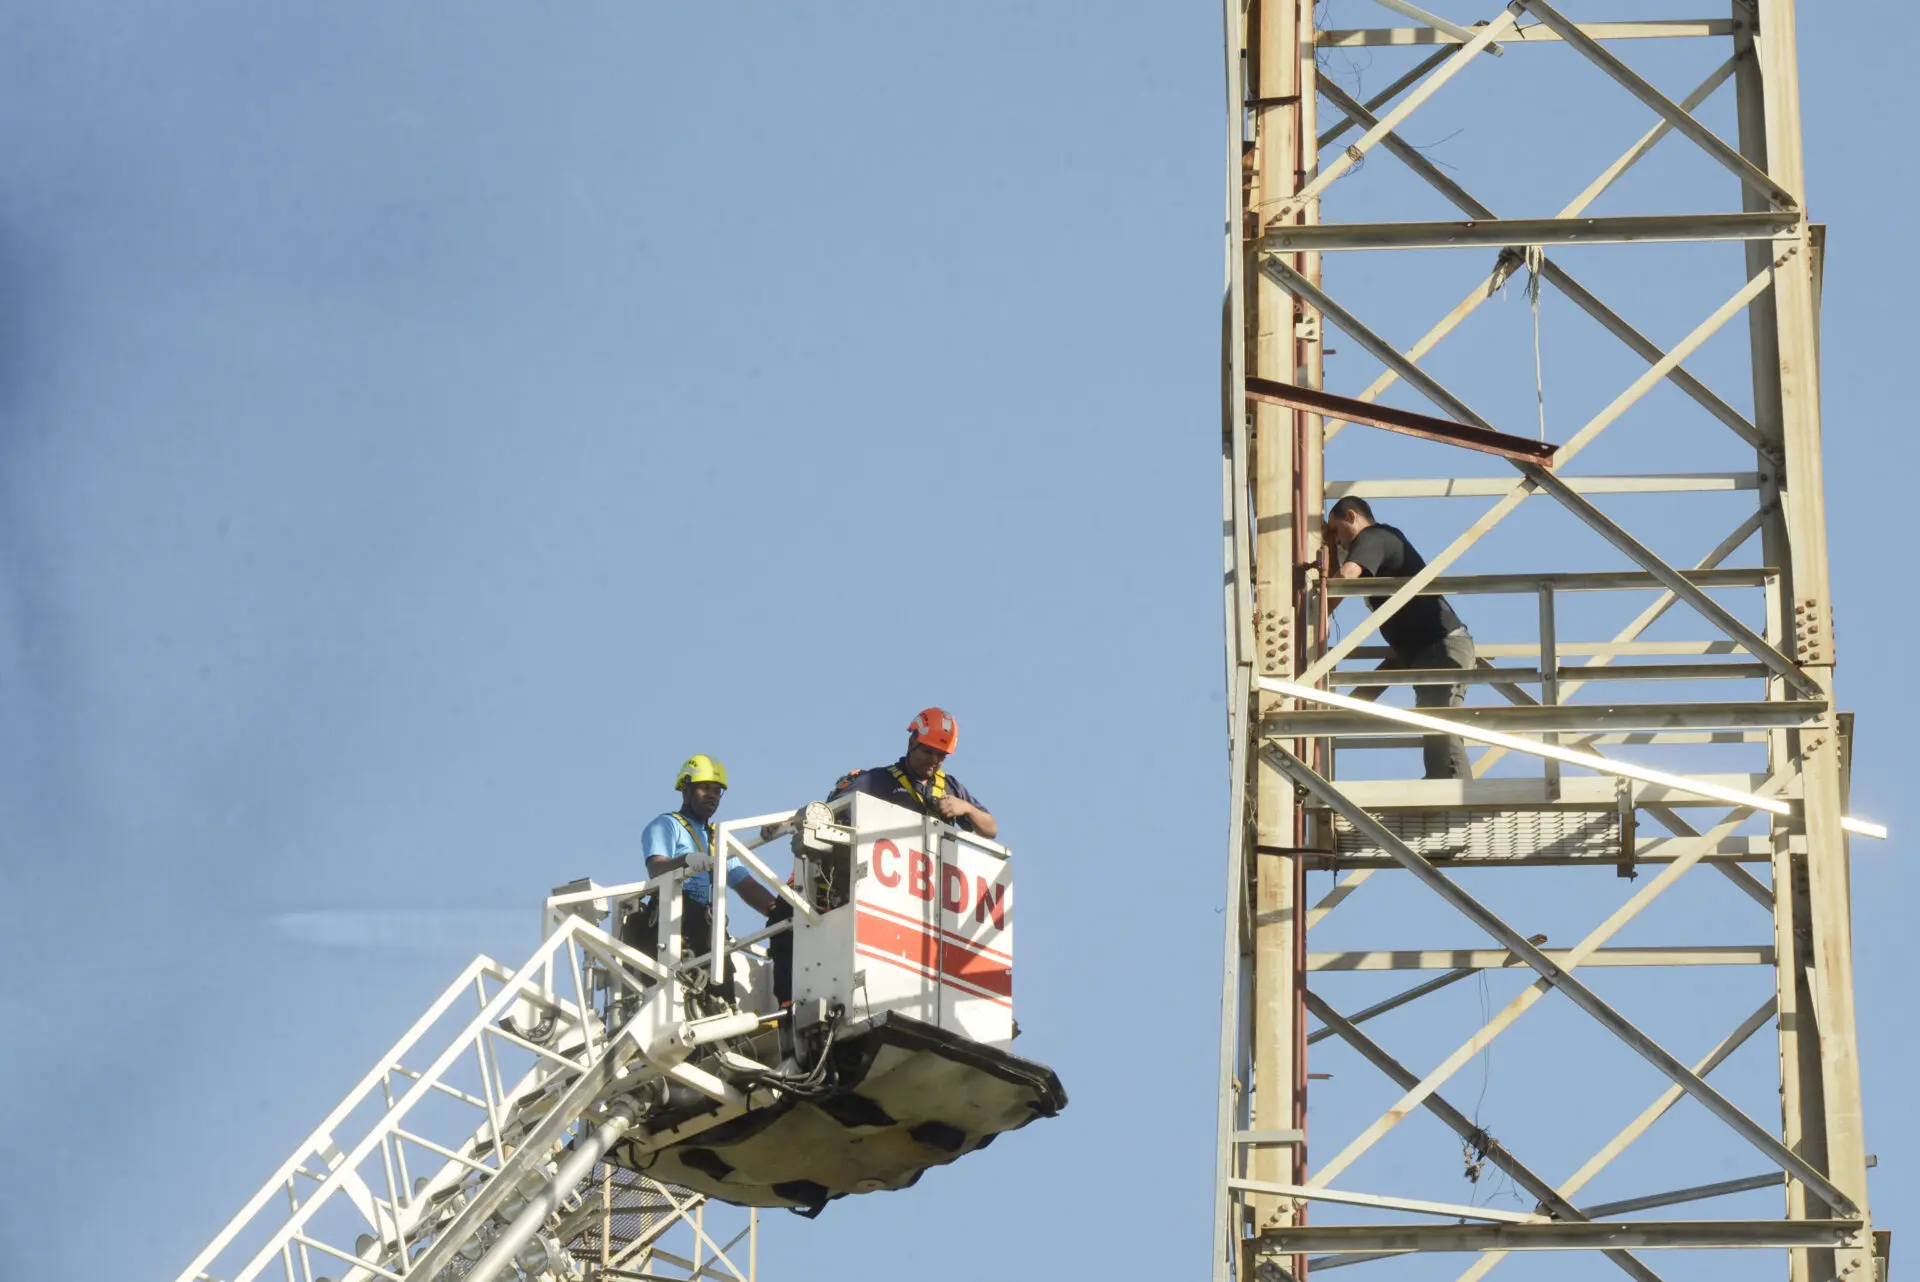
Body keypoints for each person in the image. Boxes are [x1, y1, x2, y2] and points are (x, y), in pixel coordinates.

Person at [1324, 497, 1476, 780]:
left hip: (1441, 647)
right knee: (1435, 720)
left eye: (1335, 531)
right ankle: (1445, 783)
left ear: (1352, 516)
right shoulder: (1385, 545)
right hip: (1433, 650)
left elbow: (1347, 575)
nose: (1336, 542)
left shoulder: (1374, 536)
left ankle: (1453, 790)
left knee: (1438, 721)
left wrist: (1313, 613)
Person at [637, 754, 777, 989]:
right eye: (704, 788)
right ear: (686, 790)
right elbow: (657, 869)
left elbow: (746, 885)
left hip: (707, 929)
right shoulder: (667, 825)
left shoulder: (716, 838)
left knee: (722, 990)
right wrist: (686, 860)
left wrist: (779, 910)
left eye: (716, 790)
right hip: (676, 921)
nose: (712, 795)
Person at [825, 706, 997, 837]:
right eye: (928, 752)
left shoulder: (950, 787)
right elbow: (832, 810)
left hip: (933, 878)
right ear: (911, 744)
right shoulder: (878, 780)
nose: (934, 760)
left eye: (941, 756)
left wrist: (967, 808)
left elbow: (991, 829)